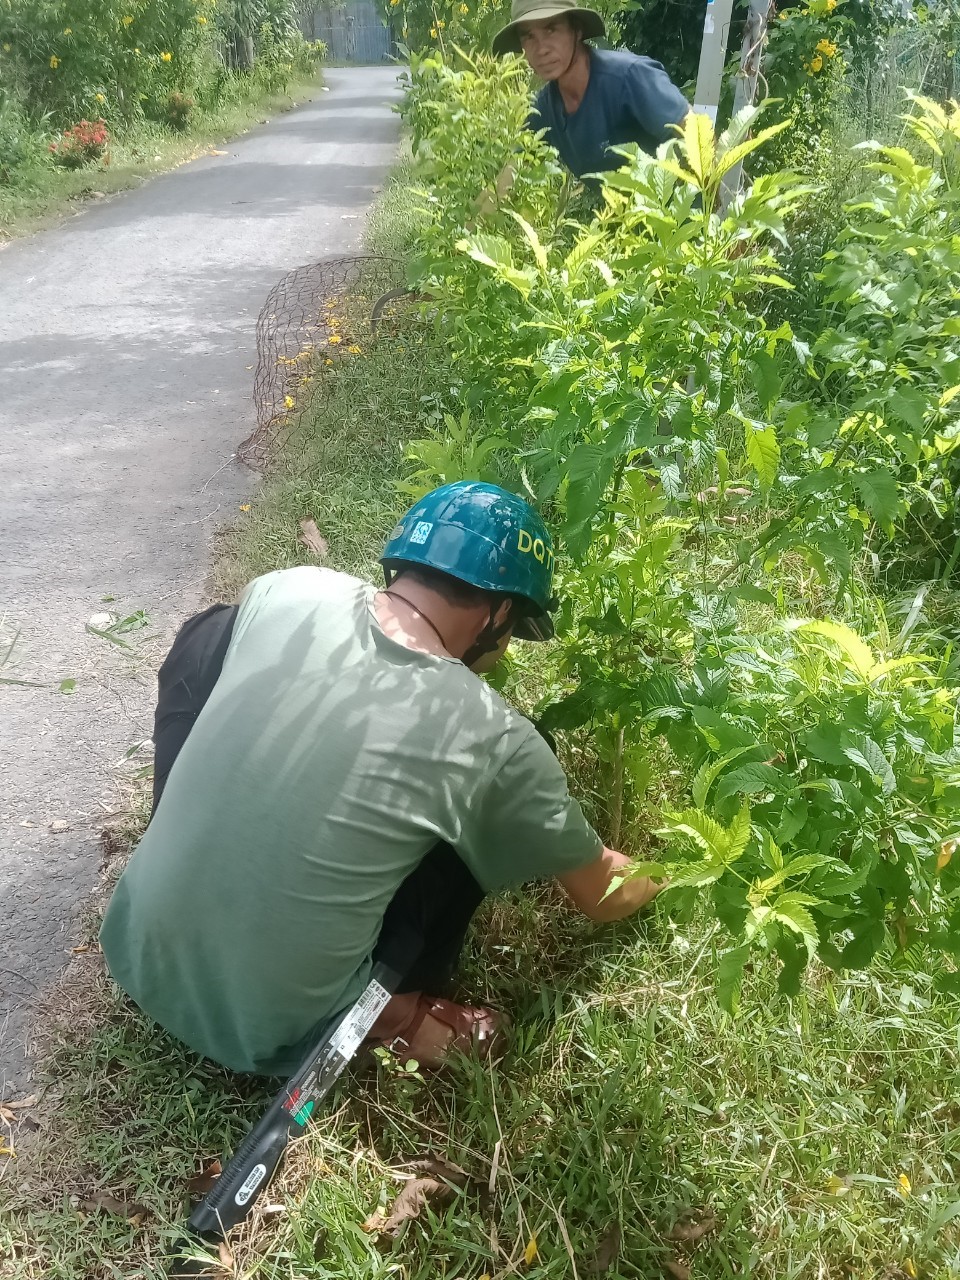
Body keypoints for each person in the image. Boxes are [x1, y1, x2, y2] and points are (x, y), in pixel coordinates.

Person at [99, 482, 662, 1077]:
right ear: (495, 613)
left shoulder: (288, 587)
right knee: (480, 799)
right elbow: (606, 895)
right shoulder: (492, 735)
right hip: (281, 1032)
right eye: (516, 625)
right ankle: (396, 1017)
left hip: (137, 954)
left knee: (214, 632)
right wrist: (676, 875)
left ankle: (184, 882)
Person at [493, 0, 689, 181]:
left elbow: (696, 137)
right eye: (529, 36)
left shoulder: (630, 77)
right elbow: (510, 176)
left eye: (551, 29)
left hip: (679, 212)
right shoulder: (544, 109)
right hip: (622, 216)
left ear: (577, 30)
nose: (541, 49)